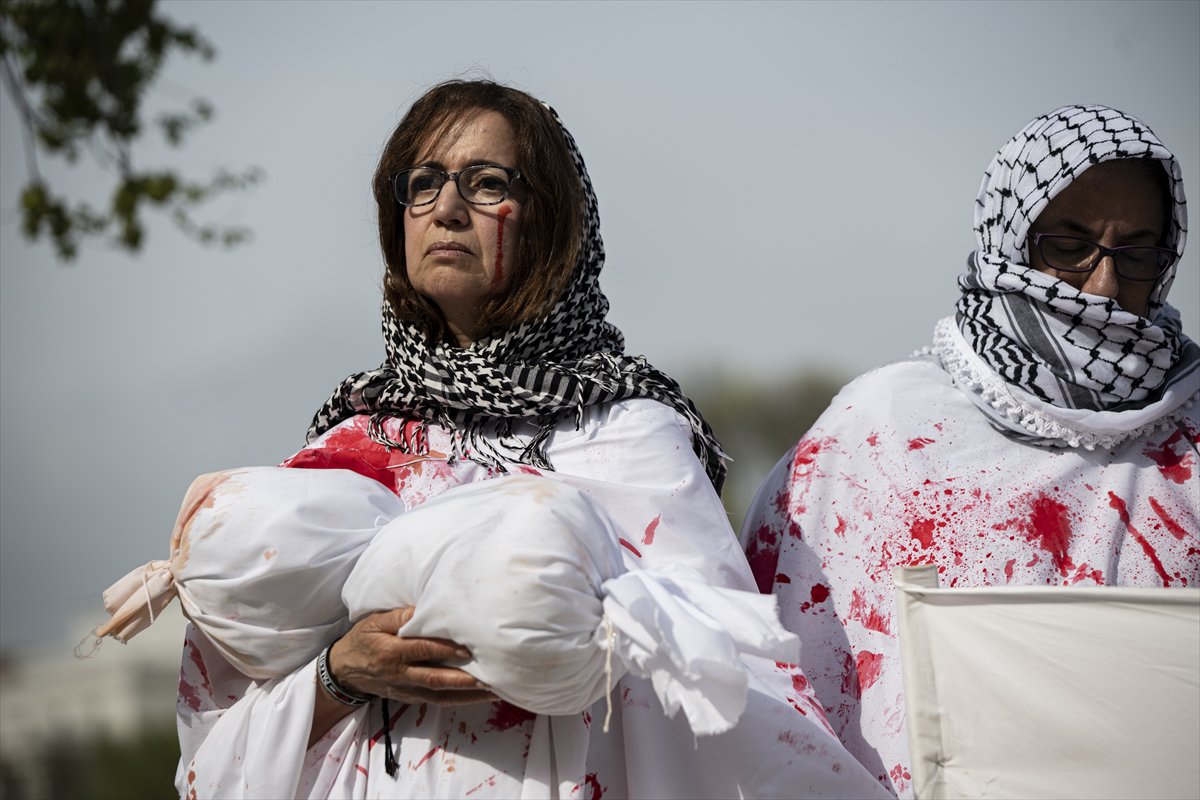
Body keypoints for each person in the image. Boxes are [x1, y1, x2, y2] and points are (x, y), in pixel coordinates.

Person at [171, 80, 889, 799]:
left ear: (550, 223)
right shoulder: (347, 444)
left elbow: (737, 693)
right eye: (422, 183)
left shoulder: (624, 429)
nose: (446, 208)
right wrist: (340, 674)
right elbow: (217, 740)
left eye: (486, 183)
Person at [741, 104, 1199, 799]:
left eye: (1136, 252)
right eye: (1067, 245)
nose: (1102, 286)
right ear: (1008, 241)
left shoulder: (1190, 438)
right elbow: (779, 709)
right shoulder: (879, 439)